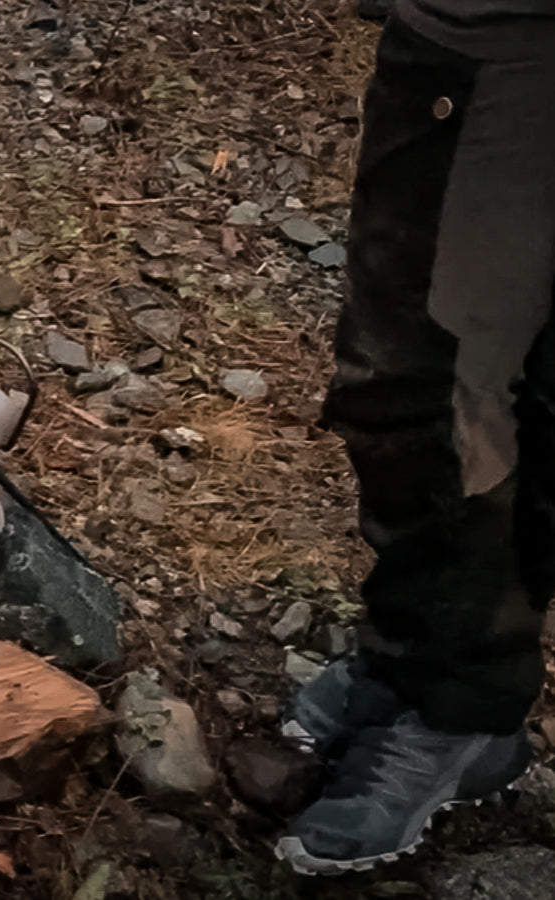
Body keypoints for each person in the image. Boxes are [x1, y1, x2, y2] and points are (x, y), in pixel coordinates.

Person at [273, 0, 554, 875]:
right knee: (416, 380)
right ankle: (418, 663)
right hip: (486, 35)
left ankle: (458, 707)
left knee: (467, 392)